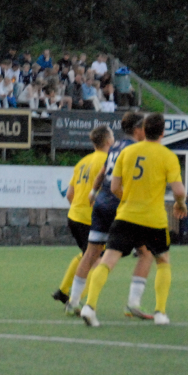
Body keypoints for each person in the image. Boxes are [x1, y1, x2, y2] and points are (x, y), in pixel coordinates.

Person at [81, 113, 188, 327]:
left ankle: (89, 306)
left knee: (107, 260)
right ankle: (160, 312)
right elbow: (178, 191)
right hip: (154, 220)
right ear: (163, 133)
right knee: (162, 261)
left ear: (144, 130)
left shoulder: (127, 152)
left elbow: (114, 187)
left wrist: (129, 199)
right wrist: (180, 204)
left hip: (126, 216)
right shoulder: (168, 156)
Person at [64, 112, 151, 318]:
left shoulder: (116, 146)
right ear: (138, 129)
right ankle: (133, 304)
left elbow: (103, 172)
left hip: (101, 204)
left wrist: (93, 192)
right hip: (120, 206)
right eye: (144, 127)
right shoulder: (137, 150)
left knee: (90, 254)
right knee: (146, 253)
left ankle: (73, 302)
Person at [52, 125, 112, 309]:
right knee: (99, 261)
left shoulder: (83, 161)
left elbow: (70, 194)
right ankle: (74, 302)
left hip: (75, 216)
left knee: (86, 255)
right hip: (90, 219)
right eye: (112, 137)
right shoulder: (108, 161)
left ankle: (63, 291)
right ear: (108, 140)